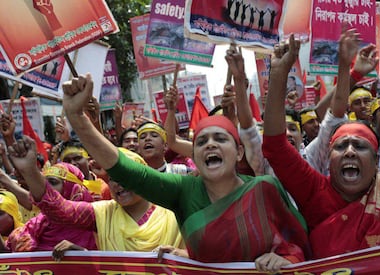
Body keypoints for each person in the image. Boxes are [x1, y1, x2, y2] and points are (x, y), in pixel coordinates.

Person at [59, 74, 310, 272]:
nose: (210, 145)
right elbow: (127, 172)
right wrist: (77, 118)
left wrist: (286, 259)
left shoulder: (263, 188)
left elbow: (299, 243)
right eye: (201, 142)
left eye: (220, 139)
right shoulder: (183, 190)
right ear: (195, 157)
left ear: (240, 152)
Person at [263, 31, 380, 259]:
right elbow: (276, 147)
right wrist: (278, 75)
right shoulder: (314, 190)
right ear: (328, 157)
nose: (350, 152)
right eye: (341, 146)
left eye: (360, 146)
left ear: (376, 162)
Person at [7, 143, 185, 259]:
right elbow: (59, 209)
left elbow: (208, 254)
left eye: (126, 177)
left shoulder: (174, 209)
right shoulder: (102, 212)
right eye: (113, 178)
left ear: (143, 177)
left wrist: (181, 255)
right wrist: (30, 170)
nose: (117, 184)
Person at [5, 163, 97, 252]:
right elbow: (8, 253)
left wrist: (80, 252)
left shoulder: (94, 221)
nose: (46, 188)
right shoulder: (39, 222)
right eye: (45, 183)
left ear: (72, 189)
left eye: (53, 182)